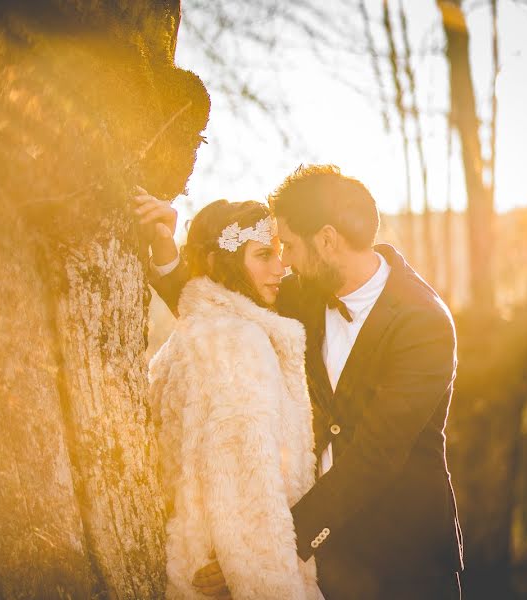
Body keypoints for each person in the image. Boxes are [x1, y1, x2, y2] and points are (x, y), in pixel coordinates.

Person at [135, 164, 463, 599]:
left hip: (402, 560)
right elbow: (219, 311)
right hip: (325, 566)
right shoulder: (306, 292)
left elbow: (378, 451)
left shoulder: (424, 323)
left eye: (287, 245)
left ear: (327, 241)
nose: (283, 261)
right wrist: (164, 246)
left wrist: (269, 547)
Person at [147, 199, 323, 600]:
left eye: (279, 254)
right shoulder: (238, 341)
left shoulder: (200, 331)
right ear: (217, 262)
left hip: (196, 560)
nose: (281, 268)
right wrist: (264, 576)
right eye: (264, 255)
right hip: (235, 576)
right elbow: (248, 485)